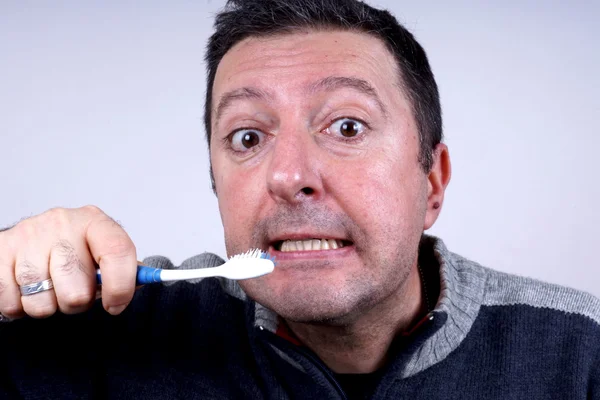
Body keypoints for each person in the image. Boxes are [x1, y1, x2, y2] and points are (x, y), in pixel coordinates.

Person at [0, 0, 598, 398]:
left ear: (432, 183)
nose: (288, 175)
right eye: (248, 137)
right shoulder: (107, 333)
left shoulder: (581, 354)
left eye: (346, 127)